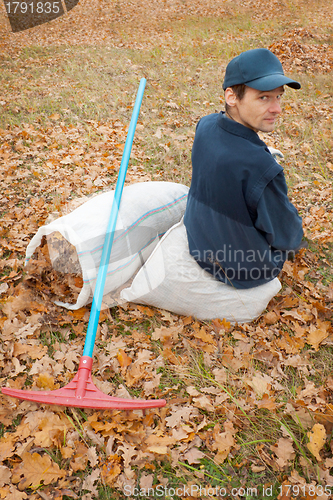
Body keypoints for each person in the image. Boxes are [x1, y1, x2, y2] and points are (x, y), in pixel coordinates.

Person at [183, 48, 304, 289]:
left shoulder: (206, 125)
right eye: (263, 98)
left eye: (278, 97)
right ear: (232, 97)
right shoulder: (261, 167)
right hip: (242, 269)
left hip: (199, 242)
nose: (277, 109)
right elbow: (288, 238)